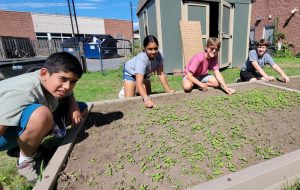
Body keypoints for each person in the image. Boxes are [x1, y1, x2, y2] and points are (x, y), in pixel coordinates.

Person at [0, 52, 87, 182]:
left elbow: (68, 91)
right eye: (63, 79)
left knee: (81, 108)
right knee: (41, 115)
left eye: (73, 82)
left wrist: (73, 105)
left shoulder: (47, 79)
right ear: (44, 73)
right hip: (3, 134)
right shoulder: (24, 93)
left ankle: (20, 147)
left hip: (15, 122)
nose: (67, 86)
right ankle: (26, 162)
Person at [122, 35, 175, 108]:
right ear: (145, 49)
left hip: (144, 74)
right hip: (130, 73)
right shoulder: (141, 60)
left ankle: (136, 90)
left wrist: (168, 90)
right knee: (129, 101)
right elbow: (139, 83)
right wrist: (146, 99)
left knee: (148, 93)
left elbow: (160, 74)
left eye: (155, 48)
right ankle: (125, 90)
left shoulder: (159, 55)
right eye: (150, 49)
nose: (153, 52)